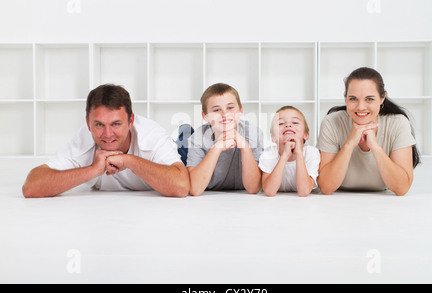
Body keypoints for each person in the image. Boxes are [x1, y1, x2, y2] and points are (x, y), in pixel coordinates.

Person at [22, 84, 190, 198]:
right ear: (88, 123)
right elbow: (31, 187)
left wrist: (128, 160)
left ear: (131, 121)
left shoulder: (152, 134)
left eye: (116, 124)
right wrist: (93, 170)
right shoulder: (84, 139)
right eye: (99, 124)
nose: (107, 134)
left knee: (187, 147)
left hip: (181, 149)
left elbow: (181, 186)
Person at [316, 67, 420, 196]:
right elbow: (326, 187)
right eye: (353, 99)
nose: (360, 107)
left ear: (382, 98)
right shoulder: (331, 122)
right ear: (346, 99)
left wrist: (375, 146)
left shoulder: (398, 123)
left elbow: (401, 188)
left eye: (369, 99)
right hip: (340, 203)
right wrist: (349, 144)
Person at [187, 83, 264, 196]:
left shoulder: (253, 133)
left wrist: (245, 147)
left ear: (240, 110)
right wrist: (217, 148)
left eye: (230, 108)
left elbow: (254, 188)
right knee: (182, 147)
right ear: (205, 116)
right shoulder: (198, 137)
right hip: (198, 146)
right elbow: (195, 189)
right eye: (216, 110)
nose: (224, 114)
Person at [259, 106, 320, 197]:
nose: (288, 125)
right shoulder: (268, 154)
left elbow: (304, 191)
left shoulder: (311, 153)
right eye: (280, 123)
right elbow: (269, 191)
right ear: (273, 137)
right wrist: (284, 156)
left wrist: (299, 153)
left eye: (295, 122)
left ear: (306, 135)